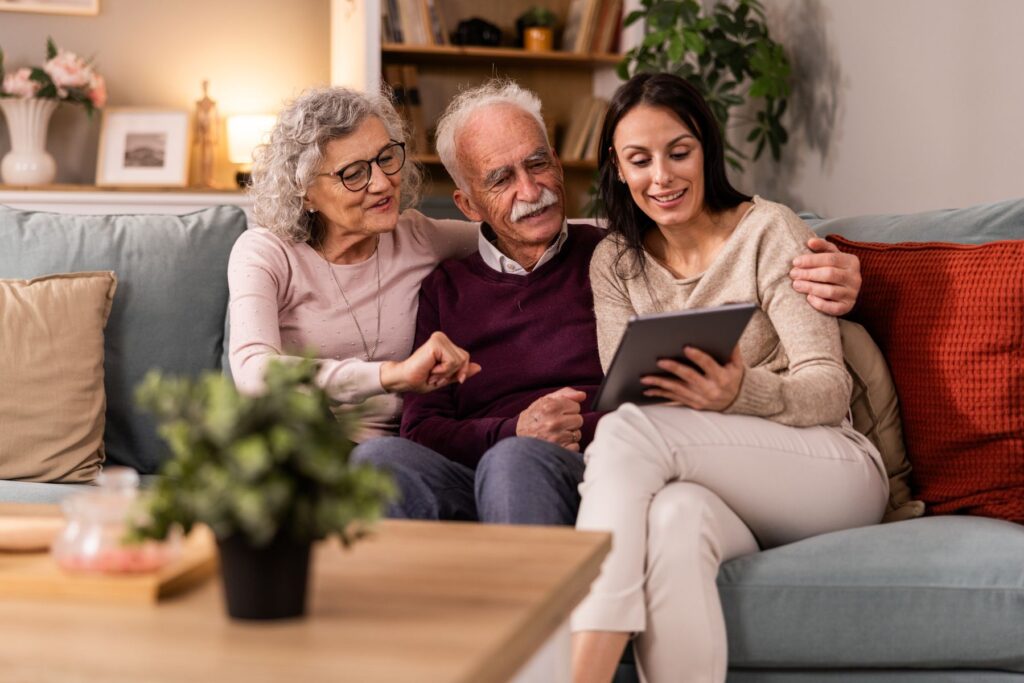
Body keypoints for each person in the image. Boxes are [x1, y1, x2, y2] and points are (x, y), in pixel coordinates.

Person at [354, 79, 867, 528]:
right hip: (481, 463)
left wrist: (842, 271)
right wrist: (511, 430)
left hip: (591, 465)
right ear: (468, 204)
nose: (531, 190)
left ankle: (536, 607)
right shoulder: (445, 288)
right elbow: (422, 427)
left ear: (558, 164)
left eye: (538, 163)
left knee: (516, 462)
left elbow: (655, 393)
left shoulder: (618, 257)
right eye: (501, 179)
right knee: (377, 462)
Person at [569, 73, 890, 683]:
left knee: (625, 432)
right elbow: (631, 389)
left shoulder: (769, 231)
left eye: (678, 152)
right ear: (617, 166)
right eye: (640, 160)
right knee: (674, 520)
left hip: (830, 468)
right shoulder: (614, 262)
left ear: (706, 149)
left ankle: (581, 672)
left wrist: (741, 392)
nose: (661, 177)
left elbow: (830, 388)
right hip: (713, 481)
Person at [228, 86, 480, 442]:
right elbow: (254, 371)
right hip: (307, 448)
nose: (382, 183)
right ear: (305, 191)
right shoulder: (266, 252)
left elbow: (513, 234)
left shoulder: (418, 238)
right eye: (354, 173)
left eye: (386, 158)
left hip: (400, 454)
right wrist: (390, 375)